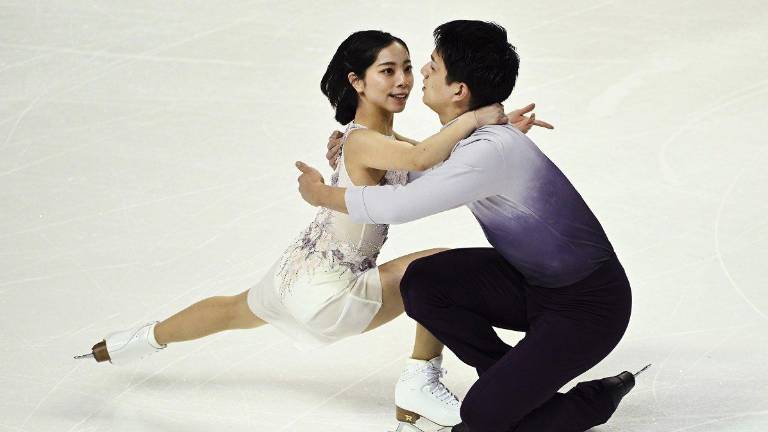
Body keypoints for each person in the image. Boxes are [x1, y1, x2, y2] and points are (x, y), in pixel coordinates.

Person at [76, 29, 549, 430]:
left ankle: (130, 343)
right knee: (437, 270)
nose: (404, 80)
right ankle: (418, 385)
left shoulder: (366, 137)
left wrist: (502, 128)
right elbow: (422, 159)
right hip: (332, 294)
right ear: (356, 81)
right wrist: (477, 116)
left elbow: (434, 154)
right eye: (388, 71)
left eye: (407, 67)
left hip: (295, 273)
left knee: (229, 310)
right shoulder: (364, 141)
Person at [296, 20, 644, 432]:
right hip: (533, 286)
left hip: (588, 306)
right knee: (425, 281)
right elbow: (423, 169)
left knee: (479, 416)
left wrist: (321, 194)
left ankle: (594, 401)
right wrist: (362, 150)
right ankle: (508, 378)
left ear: (459, 90)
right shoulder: (479, 144)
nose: (421, 72)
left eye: (433, 66)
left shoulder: (487, 152)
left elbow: (402, 203)